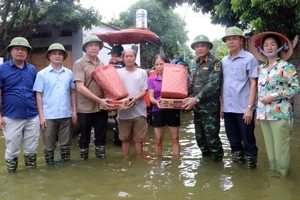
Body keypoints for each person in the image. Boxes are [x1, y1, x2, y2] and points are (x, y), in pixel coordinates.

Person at [249, 32, 299, 176]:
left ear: (279, 47)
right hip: (264, 114)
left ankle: (283, 178)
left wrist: (274, 96)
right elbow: (260, 92)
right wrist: (258, 114)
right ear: (261, 48)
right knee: (270, 149)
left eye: (272, 44)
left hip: (280, 114)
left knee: (281, 149)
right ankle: (274, 178)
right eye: (266, 45)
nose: (269, 47)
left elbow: (295, 88)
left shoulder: (286, 66)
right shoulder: (261, 68)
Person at [221, 27, 259, 168]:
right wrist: (222, 106)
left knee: (248, 140)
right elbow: (223, 85)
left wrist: (249, 108)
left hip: (244, 109)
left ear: (241, 40)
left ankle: (252, 171)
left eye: (234, 38)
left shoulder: (249, 58)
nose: (231, 42)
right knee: (233, 141)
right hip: (229, 108)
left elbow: (253, 83)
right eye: (228, 39)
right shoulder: (224, 61)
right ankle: (238, 173)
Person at [0, 37, 40, 173]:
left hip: (32, 115)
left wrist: (41, 115)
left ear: (27, 52)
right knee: (12, 149)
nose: (20, 52)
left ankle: (31, 176)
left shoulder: (32, 70)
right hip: (11, 116)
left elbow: (36, 93)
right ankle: (12, 177)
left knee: (32, 148)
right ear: (11, 51)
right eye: (17, 49)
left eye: (23, 49)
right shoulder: (2, 69)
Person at [33, 43, 77, 164]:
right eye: (54, 53)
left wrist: (74, 111)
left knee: (66, 145)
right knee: (48, 146)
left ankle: (66, 169)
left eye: (60, 53)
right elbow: (39, 95)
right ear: (49, 56)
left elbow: (72, 92)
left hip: (66, 114)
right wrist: (41, 116)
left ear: (63, 56)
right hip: (49, 116)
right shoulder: (42, 74)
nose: (57, 56)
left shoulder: (69, 73)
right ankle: (50, 169)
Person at [182, 35, 224, 161]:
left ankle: (217, 166)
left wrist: (196, 98)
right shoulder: (194, 63)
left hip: (210, 109)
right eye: (197, 46)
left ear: (208, 47)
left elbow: (214, 84)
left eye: (203, 46)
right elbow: (190, 83)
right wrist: (180, 96)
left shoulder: (215, 62)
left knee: (212, 139)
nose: (200, 48)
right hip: (197, 108)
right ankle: (206, 165)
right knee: (200, 139)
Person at [73, 35, 113, 160]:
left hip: (101, 108)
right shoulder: (79, 64)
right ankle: (85, 164)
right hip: (85, 108)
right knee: (84, 138)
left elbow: (107, 85)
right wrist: (99, 100)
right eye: (91, 45)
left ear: (100, 48)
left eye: (96, 45)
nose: (94, 48)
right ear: (85, 48)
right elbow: (79, 87)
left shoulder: (102, 64)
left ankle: (100, 163)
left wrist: (112, 101)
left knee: (101, 137)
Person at [117, 48, 149, 156]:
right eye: (127, 56)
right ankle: (125, 160)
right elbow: (114, 90)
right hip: (124, 112)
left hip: (139, 111)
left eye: (132, 56)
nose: (129, 58)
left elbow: (144, 90)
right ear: (123, 59)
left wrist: (135, 99)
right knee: (124, 138)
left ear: (135, 58)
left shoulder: (142, 72)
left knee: (139, 139)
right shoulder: (118, 73)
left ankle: (139, 160)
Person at [148, 54, 181, 156]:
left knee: (175, 139)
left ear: (166, 64)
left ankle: (176, 166)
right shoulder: (151, 79)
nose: (159, 66)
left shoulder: (173, 78)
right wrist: (157, 102)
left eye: (161, 64)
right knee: (158, 139)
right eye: (156, 64)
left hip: (172, 109)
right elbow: (151, 97)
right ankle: (158, 165)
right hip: (157, 110)